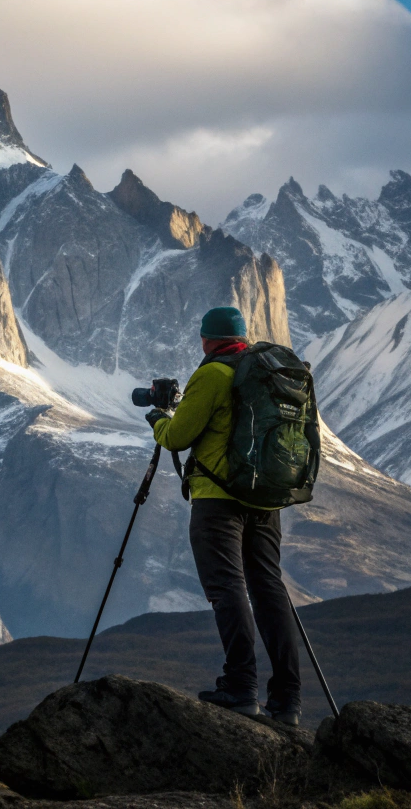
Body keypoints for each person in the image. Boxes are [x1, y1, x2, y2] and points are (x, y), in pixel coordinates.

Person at [144, 306, 302, 726]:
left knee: (226, 588)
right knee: (269, 590)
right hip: (266, 499)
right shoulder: (266, 371)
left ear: (207, 339)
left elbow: (178, 436)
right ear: (242, 337)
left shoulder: (212, 375)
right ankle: (287, 702)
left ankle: (240, 688)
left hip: (218, 501)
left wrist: (159, 419)